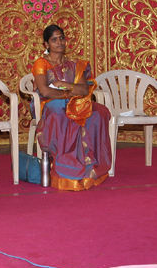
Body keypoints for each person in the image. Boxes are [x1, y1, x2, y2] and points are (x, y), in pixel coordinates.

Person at [31, 24, 112, 191]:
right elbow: (45, 91)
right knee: (63, 112)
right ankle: (68, 167)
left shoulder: (74, 64)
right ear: (46, 44)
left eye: (61, 38)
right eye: (54, 39)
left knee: (99, 112)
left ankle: (91, 164)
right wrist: (68, 94)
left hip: (74, 101)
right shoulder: (41, 63)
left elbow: (84, 90)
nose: (59, 42)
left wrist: (63, 84)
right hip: (50, 104)